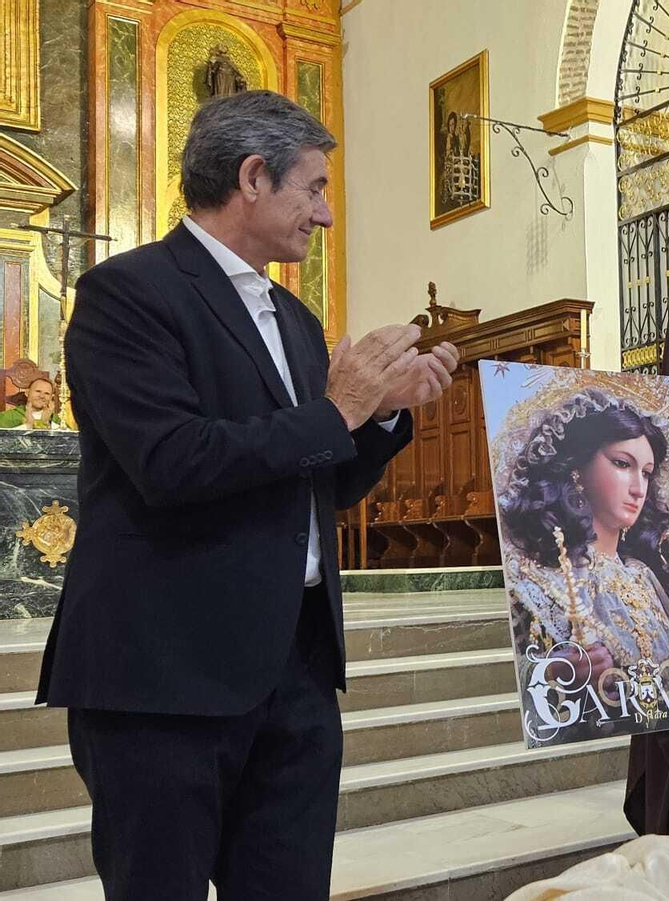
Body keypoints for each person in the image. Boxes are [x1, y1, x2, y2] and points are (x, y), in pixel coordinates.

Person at [35, 89, 458, 900]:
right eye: (315, 188)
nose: (326, 214)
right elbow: (171, 461)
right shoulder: (126, 294)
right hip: (166, 673)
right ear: (254, 177)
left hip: (294, 670)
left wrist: (383, 417)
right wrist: (338, 407)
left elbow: (316, 485)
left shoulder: (295, 321)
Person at [500, 387, 669, 739]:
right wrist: (558, 671)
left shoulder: (644, 576)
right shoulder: (536, 581)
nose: (638, 488)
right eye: (622, 464)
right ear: (576, 469)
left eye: (646, 472)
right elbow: (509, 676)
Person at [0, 375, 64, 429]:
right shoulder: (9, 416)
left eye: (47, 393)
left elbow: (68, 441)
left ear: (51, 398)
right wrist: (27, 425)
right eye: (38, 391)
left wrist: (46, 423)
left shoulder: (56, 420)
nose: (42, 396)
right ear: (27, 393)